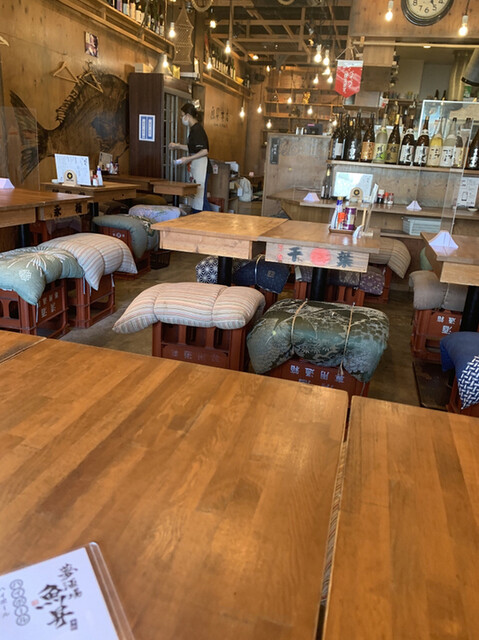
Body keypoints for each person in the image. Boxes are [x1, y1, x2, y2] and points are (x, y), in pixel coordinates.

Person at [169, 103, 212, 213]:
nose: (181, 118)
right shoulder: (193, 129)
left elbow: (204, 151)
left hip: (203, 168)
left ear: (187, 116)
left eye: (182, 115)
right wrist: (178, 146)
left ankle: (211, 220)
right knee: (196, 199)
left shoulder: (197, 130)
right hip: (197, 167)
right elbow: (193, 148)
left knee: (200, 200)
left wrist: (188, 159)